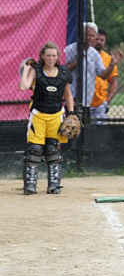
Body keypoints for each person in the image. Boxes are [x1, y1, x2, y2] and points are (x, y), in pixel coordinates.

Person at [18, 41, 75, 195]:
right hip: (38, 115)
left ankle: (54, 185)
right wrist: (26, 70)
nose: (51, 58)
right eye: (48, 55)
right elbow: (23, 87)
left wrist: (71, 113)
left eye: (54, 55)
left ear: (58, 57)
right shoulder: (36, 70)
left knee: (53, 150)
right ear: (42, 56)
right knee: (34, 150)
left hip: (56, 115)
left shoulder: (63, 73)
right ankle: (30, 185)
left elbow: (68, 95)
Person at [64, 22, 123, 111]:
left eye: (92, 36)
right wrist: (76, 62)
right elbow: (61, 71)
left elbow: (103, 75)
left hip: (87, 101)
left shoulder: (94, 53)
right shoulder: (70, 49)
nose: (90, 38)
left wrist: (112, 65)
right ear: (81, 34)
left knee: (85, 125)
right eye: (88, 35)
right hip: (71, 99)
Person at [90, 27, 119, 122]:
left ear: (105, 42)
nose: (99, 42)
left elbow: (114, 82)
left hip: (100, 102)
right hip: (85, 102)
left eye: (102, 40)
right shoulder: (85, 54)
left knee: (99, 131)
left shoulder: (109, 58)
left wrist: (107, 101)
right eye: (97, 39)